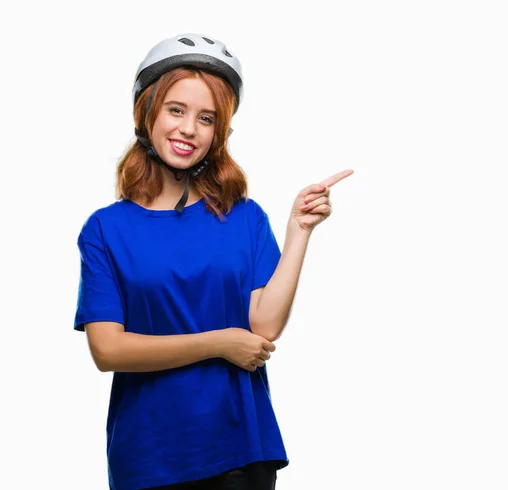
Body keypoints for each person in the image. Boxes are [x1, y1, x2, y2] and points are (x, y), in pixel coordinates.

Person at [73, 32, 353, 490]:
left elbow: (262, 327)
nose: (189, 129)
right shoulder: (105, 229)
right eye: (176, 110)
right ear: (147, 113)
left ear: (218, 133)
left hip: (239, 448)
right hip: (147, 453)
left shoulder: (244, 217)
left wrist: (299, 231)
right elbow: (108, 350)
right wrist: (220, 342)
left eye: (206, 118)